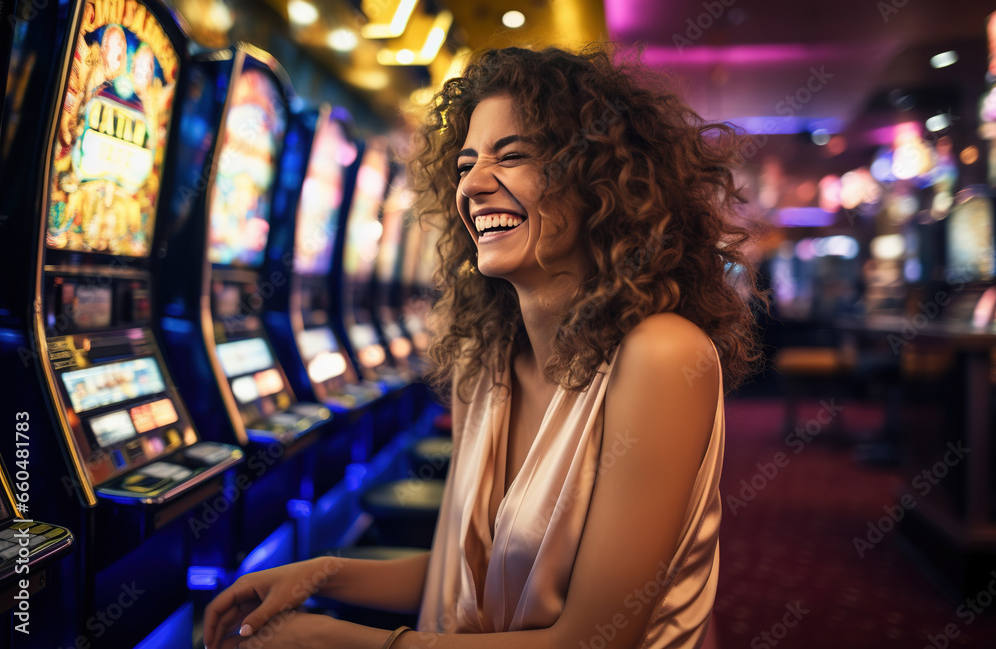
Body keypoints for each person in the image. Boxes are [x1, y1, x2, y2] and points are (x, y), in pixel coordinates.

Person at [203, 44, 764, 649]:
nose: (472, 183)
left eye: (513, 156)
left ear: (599, 179)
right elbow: (470, 581)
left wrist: (337, 641)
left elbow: (594, 639)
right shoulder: (488, 358)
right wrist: (322, 574)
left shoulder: (662, 354)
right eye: (466, 162)